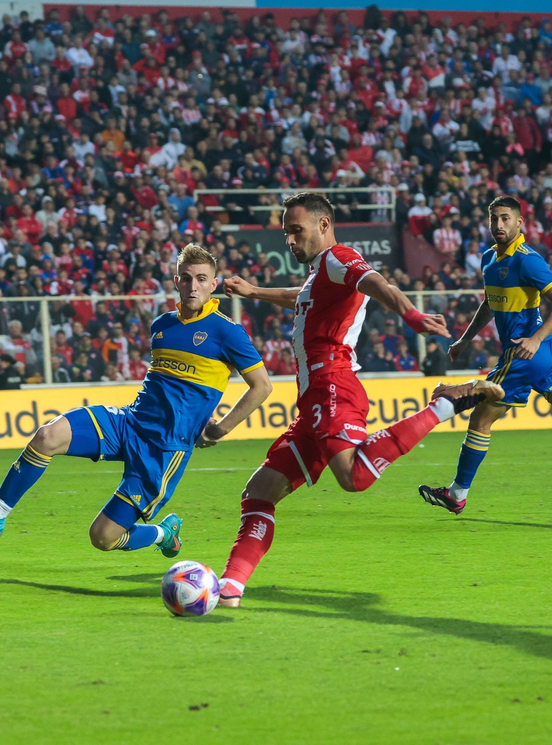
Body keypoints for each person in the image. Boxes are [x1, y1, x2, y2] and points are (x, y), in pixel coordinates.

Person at [216, 192, 504, 607]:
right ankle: (229, 587)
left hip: (333, 383)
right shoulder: (320, 272)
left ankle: (448, 403)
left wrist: (412, 316)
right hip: (311, 401)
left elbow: (378, 284)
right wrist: (255, 292)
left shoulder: (340, 258)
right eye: (286, 234)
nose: (290, 241)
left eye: (296, 231)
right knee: (259, 492)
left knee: (353, 477)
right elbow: (302, 297)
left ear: (323, 225)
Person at [0, 246, 272, 557]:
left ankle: (162, 533)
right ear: (176, 281)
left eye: (201, 279)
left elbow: (262, 386)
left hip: (163, 450)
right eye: (186, 278)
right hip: (129, 422)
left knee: (102, 537)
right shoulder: (162, 325)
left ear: (213, 284)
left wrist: (220, 429)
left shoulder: (227, 332)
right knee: (47, 436)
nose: (193, 286)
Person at [419, 195, 552, 513]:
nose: (499, 224)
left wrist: (536, 339)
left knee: (480, 417)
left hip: (525, 353)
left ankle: (456, 494)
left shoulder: (527, 260)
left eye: (505, 218)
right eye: (494, 218)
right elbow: (489, 304)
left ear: (519, 222)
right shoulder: (489, 258)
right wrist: (464, 340)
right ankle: (456, 493)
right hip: (547, 352)